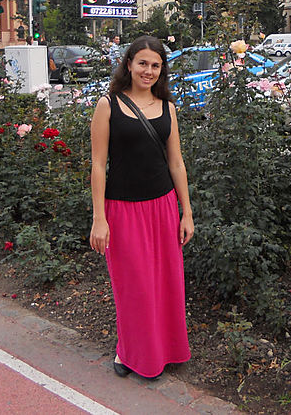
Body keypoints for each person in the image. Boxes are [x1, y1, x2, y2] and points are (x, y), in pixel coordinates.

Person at [89, 35, 193, 380]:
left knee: (166, 283)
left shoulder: (167, 108)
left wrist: (186, 212)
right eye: (142, 63)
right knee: (133, 287)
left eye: (156, 65)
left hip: (162, 207)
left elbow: (176, 164)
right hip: (122, 210)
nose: (148, 71)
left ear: (162, 70)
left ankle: (168, 351)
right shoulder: (109, 105)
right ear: (129, 64)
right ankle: (130, 352)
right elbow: (97, 164)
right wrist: (99, 219)